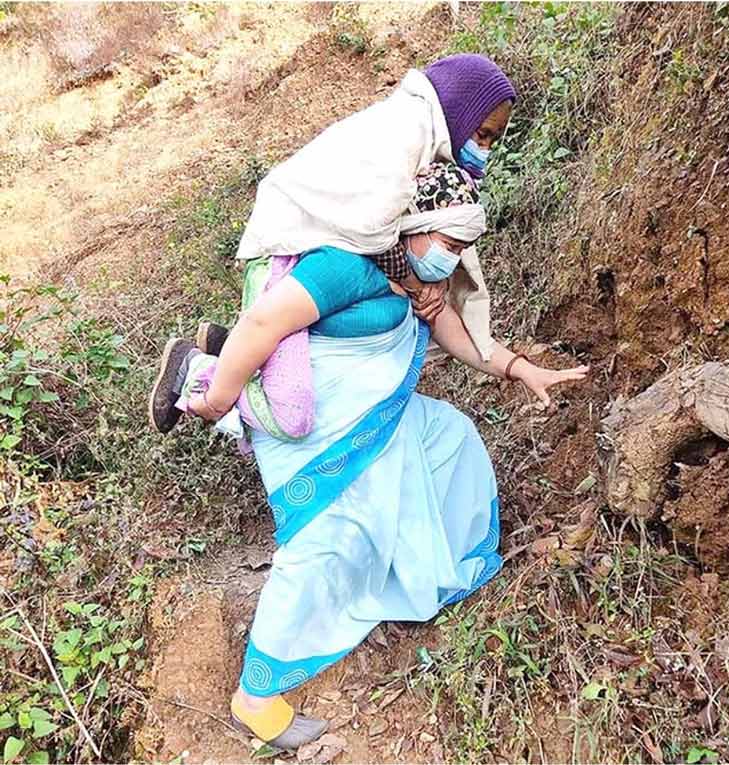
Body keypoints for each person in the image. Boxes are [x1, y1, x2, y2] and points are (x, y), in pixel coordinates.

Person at [148, 164, 589, 748]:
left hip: (369, 418)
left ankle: (424, 567)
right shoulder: (343, 266)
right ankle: (256, 696)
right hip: (319, 431)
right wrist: (219, 396)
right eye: (450, 245)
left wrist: (519, 368)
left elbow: (458, 335)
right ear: (412, 227)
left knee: (447, 435)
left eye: (463, 249)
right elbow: (264, 320)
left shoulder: (413, 276)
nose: (453, 260)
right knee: (325, 542)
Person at [149, 53, 516, 438]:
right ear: (462, 107)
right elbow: (375, 230)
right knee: (290, 414)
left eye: (492, 139)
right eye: (483, 133)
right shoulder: (406, 136)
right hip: (291, 238)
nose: (483, 147)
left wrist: (436, 288)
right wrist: (416, 283)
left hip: (321, 235)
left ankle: (236, 348)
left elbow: (439, 232)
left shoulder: (427, 138)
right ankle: (195, 369)